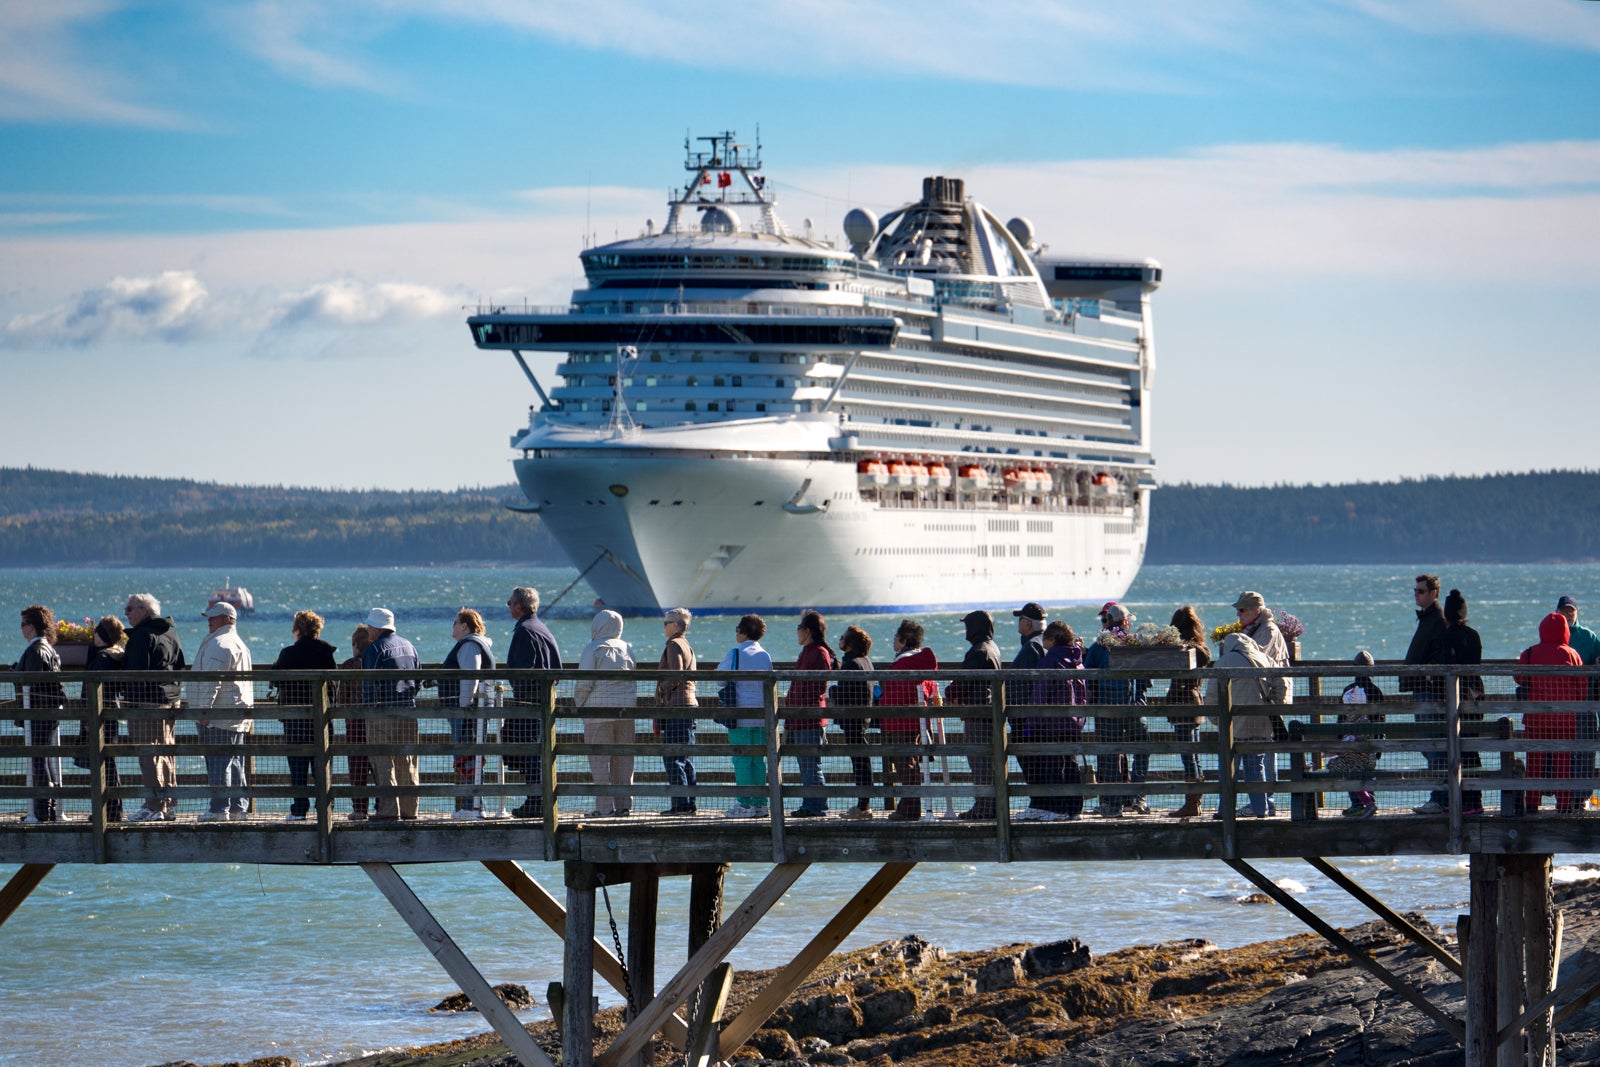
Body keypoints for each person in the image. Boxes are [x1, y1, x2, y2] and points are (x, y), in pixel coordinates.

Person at [269, 609, 339, 822]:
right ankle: (324, 809)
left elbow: (274, 678)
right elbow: (334, 684)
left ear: (297, 630)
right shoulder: (326, 652)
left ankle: (299, 810)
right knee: (323, 765)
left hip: (296, 719)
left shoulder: (289, 653)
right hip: (322, 718)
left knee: (298, 767)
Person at [122, 593, 186, 822]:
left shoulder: (141, 636)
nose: (126, 613)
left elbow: (135, 673)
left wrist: (129, 702)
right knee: (166, 752)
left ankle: (154, 804)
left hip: (146, 703)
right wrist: (174, 692)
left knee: (148, 754)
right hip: (169, 700)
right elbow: (180, 666)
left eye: (129, 609)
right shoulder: (170, 631)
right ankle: (167, 802)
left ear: (143, 610)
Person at [1084, 602, 1152, 817]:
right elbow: (1147, 676)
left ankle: (1113, 804)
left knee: (1110, 755)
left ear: (1108, 621)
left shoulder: (1098, 647)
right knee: (1142, 750)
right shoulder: (1135, 644)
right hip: (1134, 708)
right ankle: (1138, 797)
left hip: (1107, 710)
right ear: (1126, 621)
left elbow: (1087, 677)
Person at [190, 602, 255, 822]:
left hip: (218, 714)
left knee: (218, 762)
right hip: (237, 713)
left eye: (214, 617)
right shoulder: (239, 644)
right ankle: (238, 808)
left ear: (227, 619)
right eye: (209, 617)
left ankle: (219, 809)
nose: (209, 621)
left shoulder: (220, 644)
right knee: (235, 762)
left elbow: (211, 682)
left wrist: (204, 711)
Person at [1516, 612, 1587, 814]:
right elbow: (1582, 689)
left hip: (1536, 720)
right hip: (1565, 719)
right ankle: (1563, 805)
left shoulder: (1529, 653)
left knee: (1535, 761)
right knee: (1563, 763)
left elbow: (1519, 678)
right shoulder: (1572, 654)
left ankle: (1532, 803)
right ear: (1565, 631)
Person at [1017, 620, 1087, 821]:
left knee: (1053, 765)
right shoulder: (1078, 662)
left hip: (1051, 723)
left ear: (1053, 639)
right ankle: (1075, 809)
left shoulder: (1050, 661)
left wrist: (1031, 722)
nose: (1043, 640)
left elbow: (1040, 694)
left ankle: (1057, 809)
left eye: (1046, 637)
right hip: (1074, 722)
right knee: (1071, 764)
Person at [505, 586, 562, 819]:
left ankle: (535, 800)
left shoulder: (525, 631)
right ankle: (538, 798)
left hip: (529, 702)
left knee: (530, 752)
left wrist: (520, 693)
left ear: (519, 606)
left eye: (509, 603)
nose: (508, 606)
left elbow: (522, 671)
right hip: (543, 701)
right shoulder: (541, 628)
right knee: (537, 752)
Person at [1206, 631, 1277, 818]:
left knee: (1228, 770)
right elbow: (1280, 684)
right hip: (1261, 723)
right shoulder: (1264, 658)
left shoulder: (1225, 661)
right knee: (1256, 768)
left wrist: (1216, 720)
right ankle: (1261, 809)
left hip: (1233, 725)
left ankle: (1225, 810)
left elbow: (1212, 694)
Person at [360, 607, 421, 821]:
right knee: (407, 761)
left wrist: (368, 711)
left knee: (383, 761)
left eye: (369, 625)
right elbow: (418, 679)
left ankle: (388, 810)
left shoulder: (374, 649)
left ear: (376, 628)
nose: (367, 629)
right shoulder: (409, 645)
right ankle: (409, 809)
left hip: (382, 713)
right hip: (408, 710)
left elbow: (369, 685)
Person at [574, 609, 636, 817]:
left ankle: (603, 808)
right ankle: (624, 805)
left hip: (598, 712)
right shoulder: (628, 648)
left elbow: (584, 684)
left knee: (600, 761)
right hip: (626, 712)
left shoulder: (593, 649)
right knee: (624, 761)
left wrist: (580, 706)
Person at [1399, 574, 1451, 815]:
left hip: (1430, 694)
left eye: (1421, 591)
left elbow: (1439, 657)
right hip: (1422, 690)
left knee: (1435, 746)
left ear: (1434, 593)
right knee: (1428, 745)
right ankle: (1439, 796)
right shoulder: (1427, 619)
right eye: (1415, 590)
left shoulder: (1438, 620)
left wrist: (1429, 678)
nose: (1416, 594)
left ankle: (1440, 799)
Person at [879, 619, 938, 822]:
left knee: (905, 765)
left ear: (904, 641)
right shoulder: (917, 662)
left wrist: (882, 696)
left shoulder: (904, 663)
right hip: (914, 721)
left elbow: (900, 692)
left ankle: (909, 809)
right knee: (910, 764)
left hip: (901, 720)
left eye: (896, 637)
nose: (893, 640)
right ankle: (911, 806)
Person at [948, 608, 1003, 820]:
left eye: (968, 626)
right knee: (987, 763)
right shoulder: (992, 648)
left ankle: (984, 806)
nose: (966, 630)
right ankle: (991, 804)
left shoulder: (979, 651)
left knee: (979, 763)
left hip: (978, 714)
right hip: (989, 713)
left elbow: (964, 683)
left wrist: (951, 692)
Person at [718, 615, 774, 818]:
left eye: (737, 629)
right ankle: (760, 803)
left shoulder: (735, 653)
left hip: (740, 716)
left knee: (741, 760)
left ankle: (744, 804)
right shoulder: (765, 655)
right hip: (761, 716)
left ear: (743, 632)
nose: (736, 633)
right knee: (758, 761)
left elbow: (720, 681)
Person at [14, 605, 66, 823]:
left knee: (38, 760)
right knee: (45, 759)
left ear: (32, 626)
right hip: (50, 711)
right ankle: (50, 807)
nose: (21, 629)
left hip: (38, 712)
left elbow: (33, 683)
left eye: (23, 624)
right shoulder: (49, 649)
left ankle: (42, 809)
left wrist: (17, 673)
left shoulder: (35, 651)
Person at [442, 608, 495, 819]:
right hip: (475, 710)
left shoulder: (469, 645)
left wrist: (464, 708)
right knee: (470, 754)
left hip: (467, 712)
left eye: (455, 622)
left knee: (466, 755)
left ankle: (472, 807)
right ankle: (474, 804)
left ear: (465, 625)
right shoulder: (476, 643)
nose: (453, 627)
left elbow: (470, 677)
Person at [1162, 606, 1213, 819]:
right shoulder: (1199, 647)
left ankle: (1192, 802)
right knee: (1193, 756)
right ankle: (1194, 802)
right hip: (1192, 704)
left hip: (1185, 704)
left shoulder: (1192, 650)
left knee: (1188, 756)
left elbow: (1202, 657)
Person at [784, 610, 836, 818]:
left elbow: (819, 685)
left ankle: (818, 806)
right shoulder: (808, 651)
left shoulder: (818, 652)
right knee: (805, 766)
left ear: (807, 631)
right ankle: (809, 803)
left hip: (809, 718)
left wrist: (801, 705)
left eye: (799, 628)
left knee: (811, 765)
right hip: (799, 717)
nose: (797, 633)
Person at [1440, 590, 1486, 816]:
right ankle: (1475, 798)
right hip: (1476, 695)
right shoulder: (1474, 634)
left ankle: (1464, 801)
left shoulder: (1448, 636)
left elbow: (1448, 666)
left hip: (1459, 697)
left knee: (1458, 751)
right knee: (1472, 749)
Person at [655, 608, 699, 815]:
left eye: (666, 622)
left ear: (675, 625)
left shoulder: (673, 644)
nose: (663, 626)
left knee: (672, 757)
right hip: (689, 704)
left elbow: (676, 673)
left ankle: (680, 804)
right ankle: (689, 802)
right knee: (686, 757)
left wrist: (662, 689)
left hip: (677, 705)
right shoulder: (686, 644)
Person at [84, 616, 128, 822]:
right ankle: (113, 809)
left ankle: (109, 811)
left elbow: (90, 686)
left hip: (98, 713)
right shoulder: (116, 655)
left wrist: (85, 717)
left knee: (103, 763)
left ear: (101, 635)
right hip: (111, 713)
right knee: (109, 762)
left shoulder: (102, 659)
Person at [1556, 596, 1600, 802]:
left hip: (1585, 702)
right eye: (1565, 610)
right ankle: (1563, 796)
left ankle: (1582, 796)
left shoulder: (1589, 637)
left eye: (1571, 610)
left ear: (1577, 612)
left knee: (1585, 752)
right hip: (1560, 705)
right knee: (1562, 752)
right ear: (1557, 612)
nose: (1568, 614)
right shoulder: (1553, 635)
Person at [833, 625, 878, 820]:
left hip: (853, 717)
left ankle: (863, 805)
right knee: (862, 759)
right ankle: (864, 803)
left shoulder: (851, 663)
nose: (840, 640)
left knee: (859, 761)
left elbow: (844, 694)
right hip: (863, 717)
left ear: (850, 643)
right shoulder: (865, 661)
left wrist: (832, 691)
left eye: (843, 637)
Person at [1335, 652, 1386, 818]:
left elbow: (1341, 717)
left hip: (1350, 739)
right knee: (1368, 771)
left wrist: (1339, 738)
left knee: (1350, 771)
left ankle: (1358, 805)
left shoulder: (1348, 690)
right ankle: (1370, 802)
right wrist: (1380, 740)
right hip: (1370, 740)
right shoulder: (1376, 691)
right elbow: (1381, 718)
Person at [336, 625, 374, 820]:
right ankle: (383, 805)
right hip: (375, 721)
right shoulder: (376, 662)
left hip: (355, 722)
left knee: (357, 767)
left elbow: (341, 698)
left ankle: (360, 809)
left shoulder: (350, 665)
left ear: (355, 644)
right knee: (378, 764)